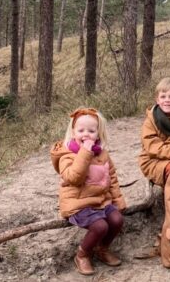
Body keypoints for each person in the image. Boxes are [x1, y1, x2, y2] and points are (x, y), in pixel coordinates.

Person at [51, 107, 126, 276]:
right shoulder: (67, 155)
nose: (86, 134)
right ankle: (82, 254)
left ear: (99, 134)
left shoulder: (102, 154)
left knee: (116, 220)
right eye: (81, 130)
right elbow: (74, 178)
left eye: (91, 131)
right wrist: (85, 152)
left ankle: (102, 248)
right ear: (73, 132)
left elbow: (112, 177)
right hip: (78, 204)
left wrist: (118, 199)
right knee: (100, 226)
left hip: (100, 201)